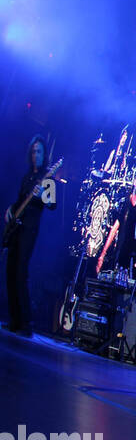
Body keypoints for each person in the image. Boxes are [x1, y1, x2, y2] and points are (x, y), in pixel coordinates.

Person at [4, 136, 56, 336]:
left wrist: (42, 193)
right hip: (16, 227)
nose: (36, 155)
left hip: (30, 230)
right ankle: (15, 320)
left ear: (45, 155)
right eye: (34, 151)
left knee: (20, 272)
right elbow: (20, 201)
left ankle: (26, 323)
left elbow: (52, 205)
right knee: (9, 272)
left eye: (40, 151)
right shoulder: (27, 176)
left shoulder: (48, 178)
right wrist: (11, 209)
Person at [97, 163, 136, 275]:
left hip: (131, 250)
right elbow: (115, 227)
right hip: (120, 246)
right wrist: (102, 254)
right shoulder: (125, 200)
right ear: (134, 179)